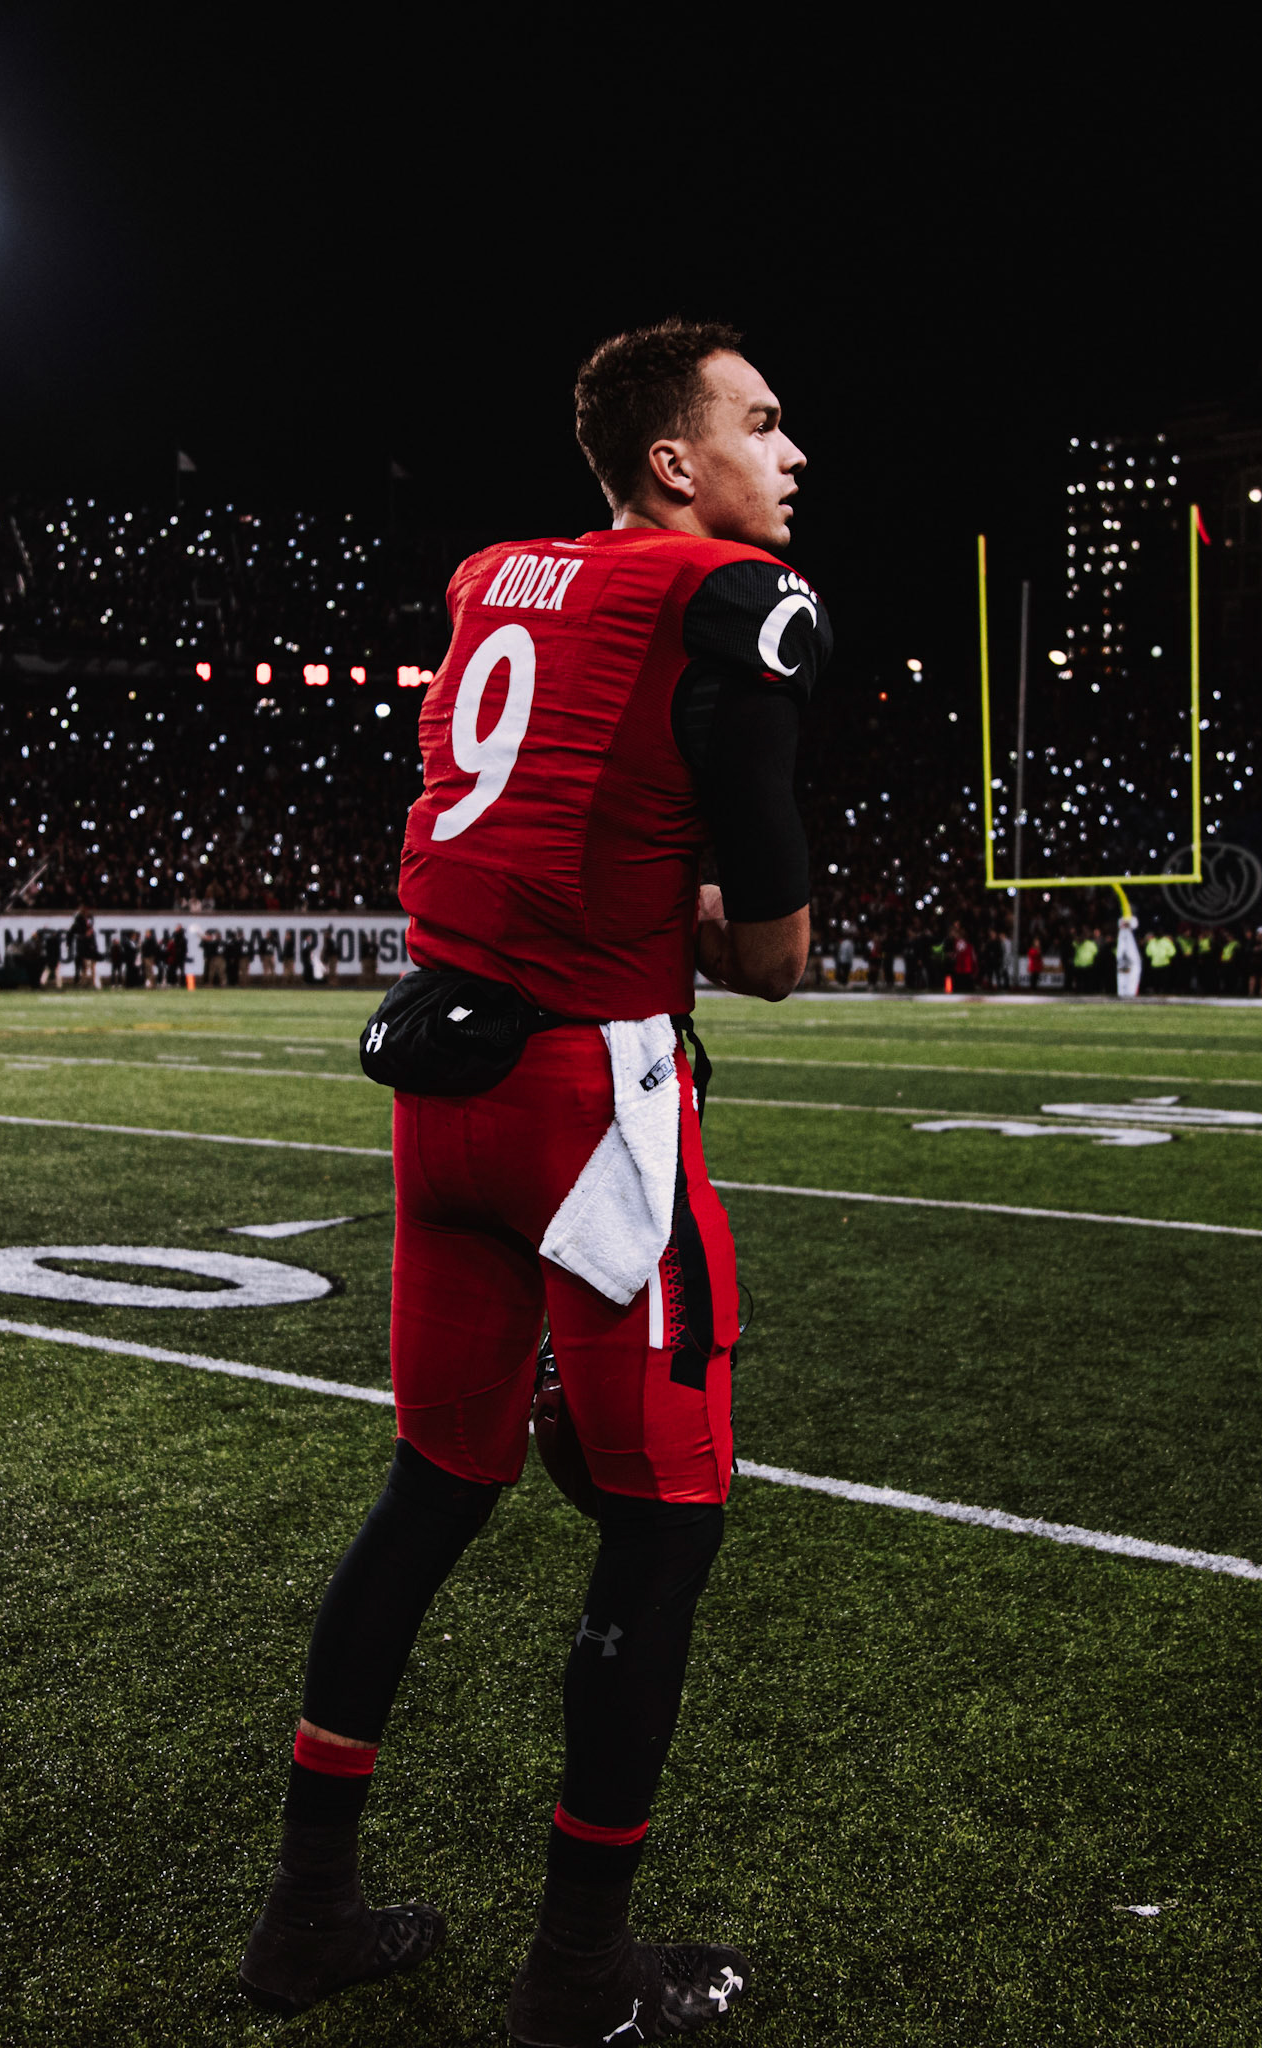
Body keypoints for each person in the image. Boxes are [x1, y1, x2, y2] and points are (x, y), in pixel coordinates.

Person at [237, 319, 829, 2044]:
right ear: (673, 460)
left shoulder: (493, 574)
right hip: (590, 1103)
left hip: (443, 1089)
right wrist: (696, 920)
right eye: (761, 422)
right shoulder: (732, 600)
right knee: (664, 1523)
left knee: (429, 1491)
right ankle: (576, 1976)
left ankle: (306, 1913)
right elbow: (775, 956)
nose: (791, 454)